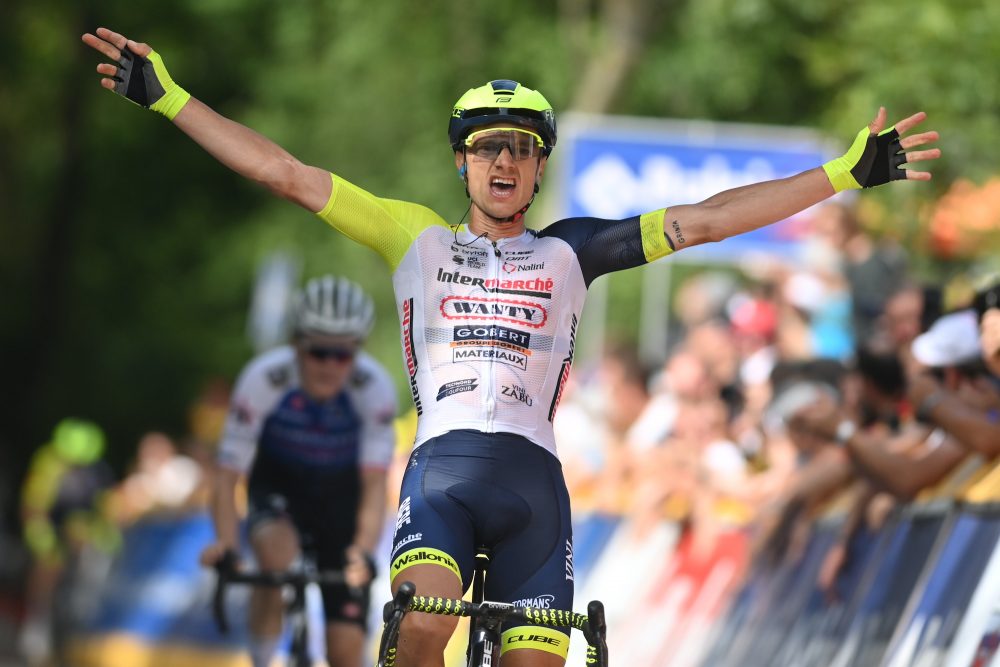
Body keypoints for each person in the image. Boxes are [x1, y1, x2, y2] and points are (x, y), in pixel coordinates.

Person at [82, 26, 940, 667]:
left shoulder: (574, 248)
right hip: (445, 469)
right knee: (426, 617)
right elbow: (284, 173)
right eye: (486, 147)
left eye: (521, 149)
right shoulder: (410, 236)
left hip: (536, 482)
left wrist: (843, 174)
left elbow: (710, 219)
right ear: (462, 164)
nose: (504, 161)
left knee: (537, 659)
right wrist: (166, 95)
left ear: (537, 171)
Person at [199, 275, 398, 667]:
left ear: (357, 352)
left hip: (340, 500)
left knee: (345, 651)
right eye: (317, 352)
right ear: (295, 345)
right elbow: (227, 475)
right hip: (279, 489)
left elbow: (375, 484)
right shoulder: (263, 379)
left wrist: (361, 549)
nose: (329, 365)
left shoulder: (374, 387)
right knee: (277, 560)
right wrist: (226, 544)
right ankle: (262, 658)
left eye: (341, 355)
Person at [19, 419, 119, 666]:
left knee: (93, 575)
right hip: (50, 530)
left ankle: (81, 632)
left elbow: (106, 507)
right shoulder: (48, 463)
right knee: (47, 569)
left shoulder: (98, 470)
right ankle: (37, 623)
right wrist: (42, 539)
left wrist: (104, 537)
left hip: (83, 533)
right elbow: (33, 506)